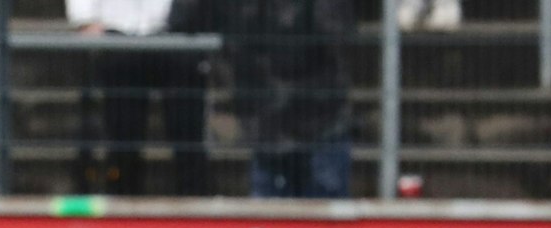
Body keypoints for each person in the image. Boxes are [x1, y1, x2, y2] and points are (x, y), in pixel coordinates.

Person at [179, 0, 354, 199]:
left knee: (322, 213)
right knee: (268, 211)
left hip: (318, 128)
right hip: (267, 133)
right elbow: (188, 19)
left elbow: (336, 36)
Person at [68, 0, 212, 196]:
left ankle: (195, 201)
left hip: (174, 33)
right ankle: (122, 201)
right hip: (117, 35)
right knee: (122, 134)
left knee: (186, 130)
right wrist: (84, 20)